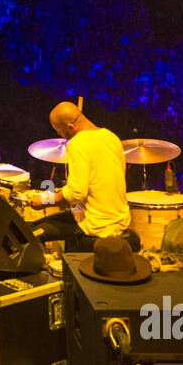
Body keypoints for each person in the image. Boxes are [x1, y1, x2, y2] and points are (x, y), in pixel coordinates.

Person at [26, 101, 131, 253]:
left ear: (70, 127)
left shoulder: (77, 144)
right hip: (120, 220)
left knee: (30, 233)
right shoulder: (111, 137)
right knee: (50, 222)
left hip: (96, 224)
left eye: (58, 130)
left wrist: (43, 200)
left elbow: (76, 193)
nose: (59, 135)